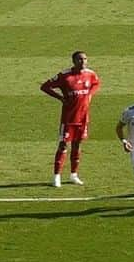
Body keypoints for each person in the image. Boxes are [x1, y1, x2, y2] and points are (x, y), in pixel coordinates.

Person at [40, 50, 100, 186]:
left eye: (85, 59)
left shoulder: (90, 74)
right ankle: (56, 176)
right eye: (80, 59)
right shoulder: (65, 76)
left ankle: (74, 174)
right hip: (68, 119)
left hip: (83, 118)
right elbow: (45, 86)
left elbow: (96, 83)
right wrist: (60, 98)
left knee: (77, 145)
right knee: (63, 145)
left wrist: (90, 94)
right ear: (74, 61)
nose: (83, 61)